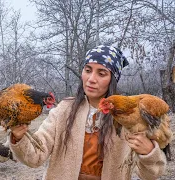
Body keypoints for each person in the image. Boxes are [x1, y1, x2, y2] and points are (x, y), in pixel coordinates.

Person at [10, 45, 167, 180]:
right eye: (88, 70)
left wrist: (148, 152)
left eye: (101, 73)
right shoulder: (64, 110)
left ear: (113, 79)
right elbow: (35, 157)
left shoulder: (130, 116)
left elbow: (151, 174)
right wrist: (19, 137)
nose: (91, 79)